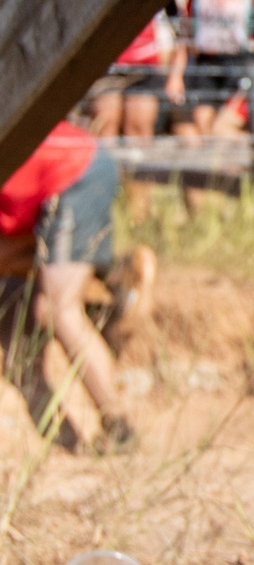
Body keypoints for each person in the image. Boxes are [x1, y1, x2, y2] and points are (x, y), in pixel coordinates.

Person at [1, 123, 152, 452]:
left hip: (72, 172)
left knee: (57, 309)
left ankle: (119, 427)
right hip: (34, 204)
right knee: (15, 353)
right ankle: (73, 448)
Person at [170, 0, 254, 135]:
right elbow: (186, 28)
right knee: (202, 118)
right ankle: (213, 157)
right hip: (207, 60)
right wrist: (176, 74)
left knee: (227, 122)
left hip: (240, 60)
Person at [90, 5, 177, 141]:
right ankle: (109, 162)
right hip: (110, 68)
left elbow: (167, 43)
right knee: (105, 125)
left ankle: (139, 161)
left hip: (144, 68)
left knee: (139, 126)